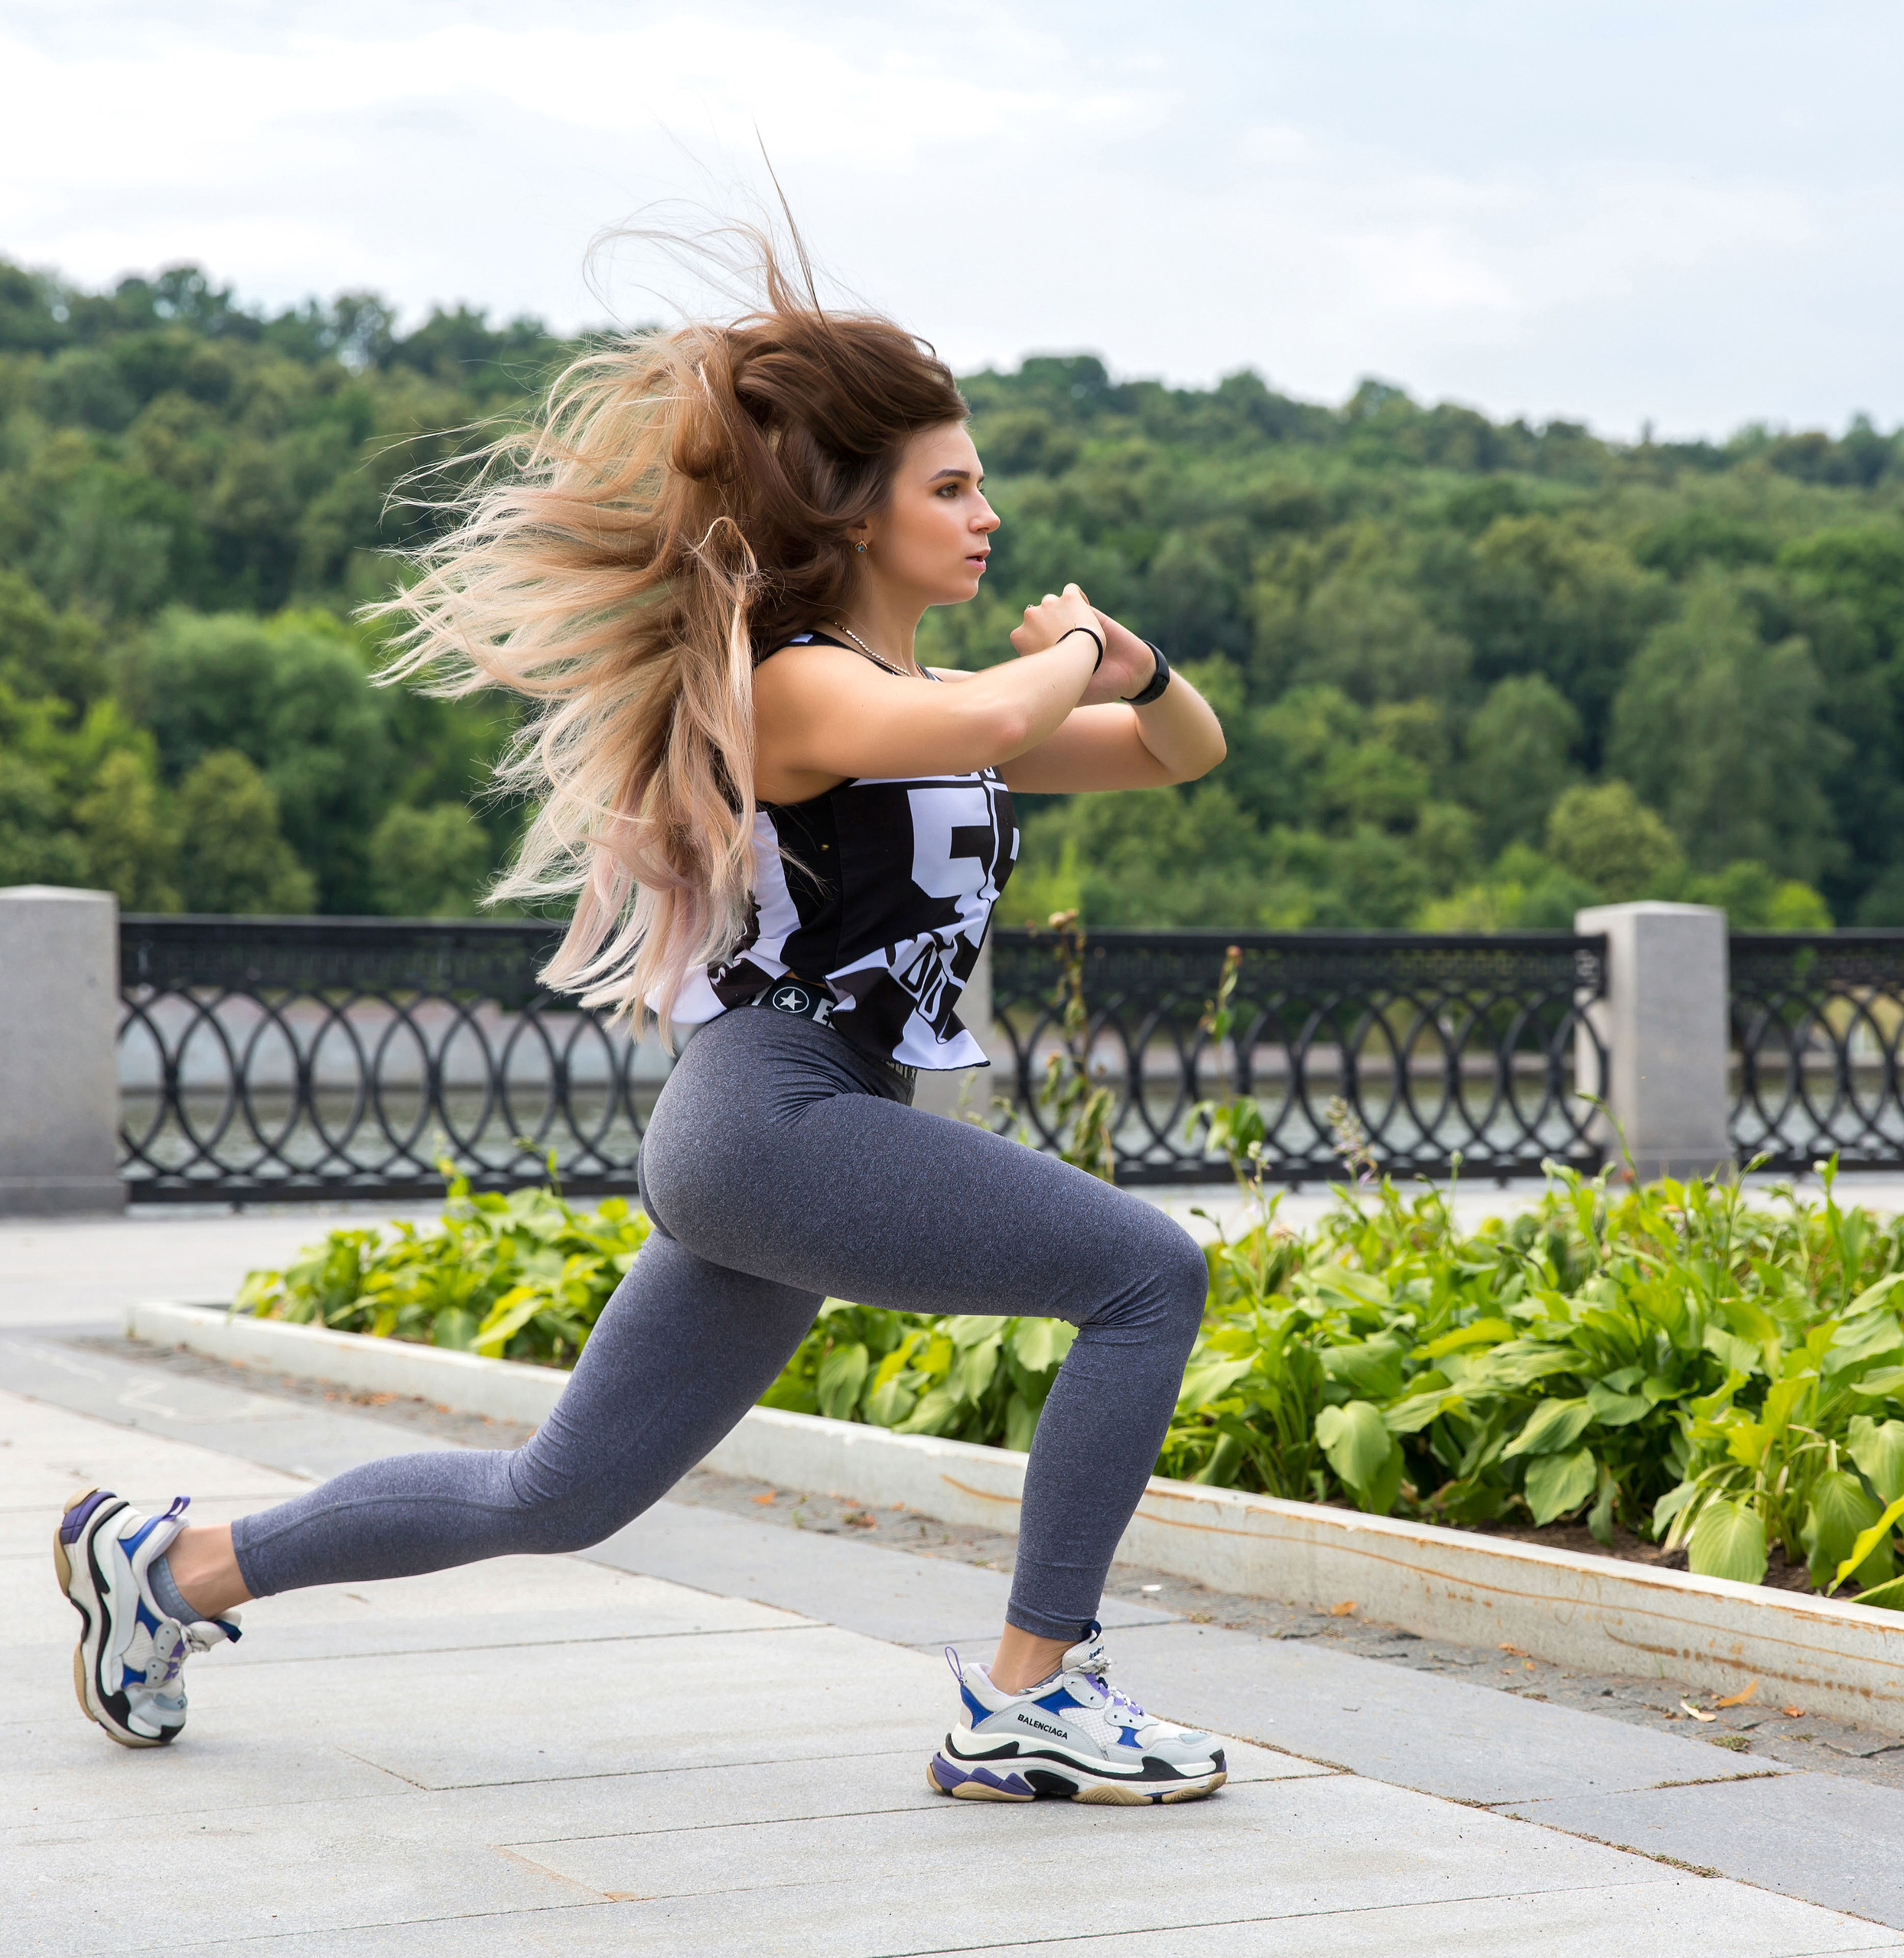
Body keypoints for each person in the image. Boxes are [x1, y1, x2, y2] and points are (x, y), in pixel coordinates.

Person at [54, 233, 1232, 1805]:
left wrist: (1141, 673)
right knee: (1146, 1275)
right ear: (853, 510)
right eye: (951, 487)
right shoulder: (798, 684)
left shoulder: (925, 705)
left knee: (554, 1493)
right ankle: (1031, 1694)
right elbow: (992, 712)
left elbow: (1175, 754)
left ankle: (173, 1568)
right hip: (774, 1114)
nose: (986, 515)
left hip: (798, 1127)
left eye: (978, 486)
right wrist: (1077, 649)